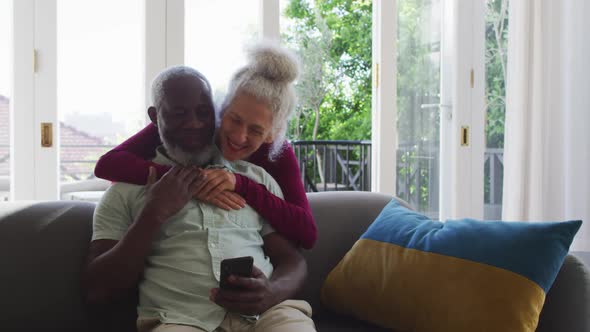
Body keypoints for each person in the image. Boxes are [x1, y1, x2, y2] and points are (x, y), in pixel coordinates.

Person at [84, 66, 316, 332]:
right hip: (178, 320)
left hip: (268, 316)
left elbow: (294, 259)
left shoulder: (256, 179)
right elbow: (97, 289)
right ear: (155, 116)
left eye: (203, 113)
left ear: (215, 115)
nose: (194, 123)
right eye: (179, 114)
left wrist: (272, 292)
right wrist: (153, 213)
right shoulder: (127, 190)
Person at [94, 41, 317, 249]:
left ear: (272, 133)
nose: (240, 136)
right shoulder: (196, 126)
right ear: (221, 109)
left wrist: (242, 185)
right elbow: (107, 165)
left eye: (256, 130)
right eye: (235, 119)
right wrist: (194, 182)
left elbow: (307, 234)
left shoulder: (278, 153)